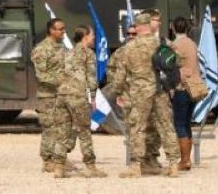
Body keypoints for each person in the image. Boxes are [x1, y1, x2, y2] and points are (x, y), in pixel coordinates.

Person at [117, 12, 180, 178]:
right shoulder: (162, 43)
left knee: (137, 127)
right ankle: (173, 164)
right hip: (160, 90)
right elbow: (174, 63)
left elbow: (120, 75)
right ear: (149, 25)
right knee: (166, 126)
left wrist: (118, 92)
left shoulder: (129, 47)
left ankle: (136, 166)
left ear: (137, 27)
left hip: (139, 92)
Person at [50, 25, 107, 178]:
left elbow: (58, 74)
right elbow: (91, 77)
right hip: (77, 96)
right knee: (84, 131)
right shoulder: (88, 53)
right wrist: (93, 97)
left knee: (62, 132)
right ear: (85, 36)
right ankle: (90, 167)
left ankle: (59, 168)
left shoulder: (66, 53)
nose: (94, 37)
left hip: (62, 95)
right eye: (92, 35)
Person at [31, 18, 76, 172]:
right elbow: (41, 75)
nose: (63, 31)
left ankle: (60, 158)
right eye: (60, 29)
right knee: (50, 129)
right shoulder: (42, 49)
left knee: (64, 128)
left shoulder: (62, 48)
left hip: (62, 95)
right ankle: (48, 161)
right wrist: (61, 81)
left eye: (64, 28)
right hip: (48, 96)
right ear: (51, 30)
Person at [170, 16, 203, 170]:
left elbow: (171, 67)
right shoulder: (192, 43)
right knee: (187, 123)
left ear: (173, 27)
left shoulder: (175, 45)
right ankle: (187, 159)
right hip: (194, 88)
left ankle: (184, 161)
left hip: (181, 88)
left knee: (179, 124)